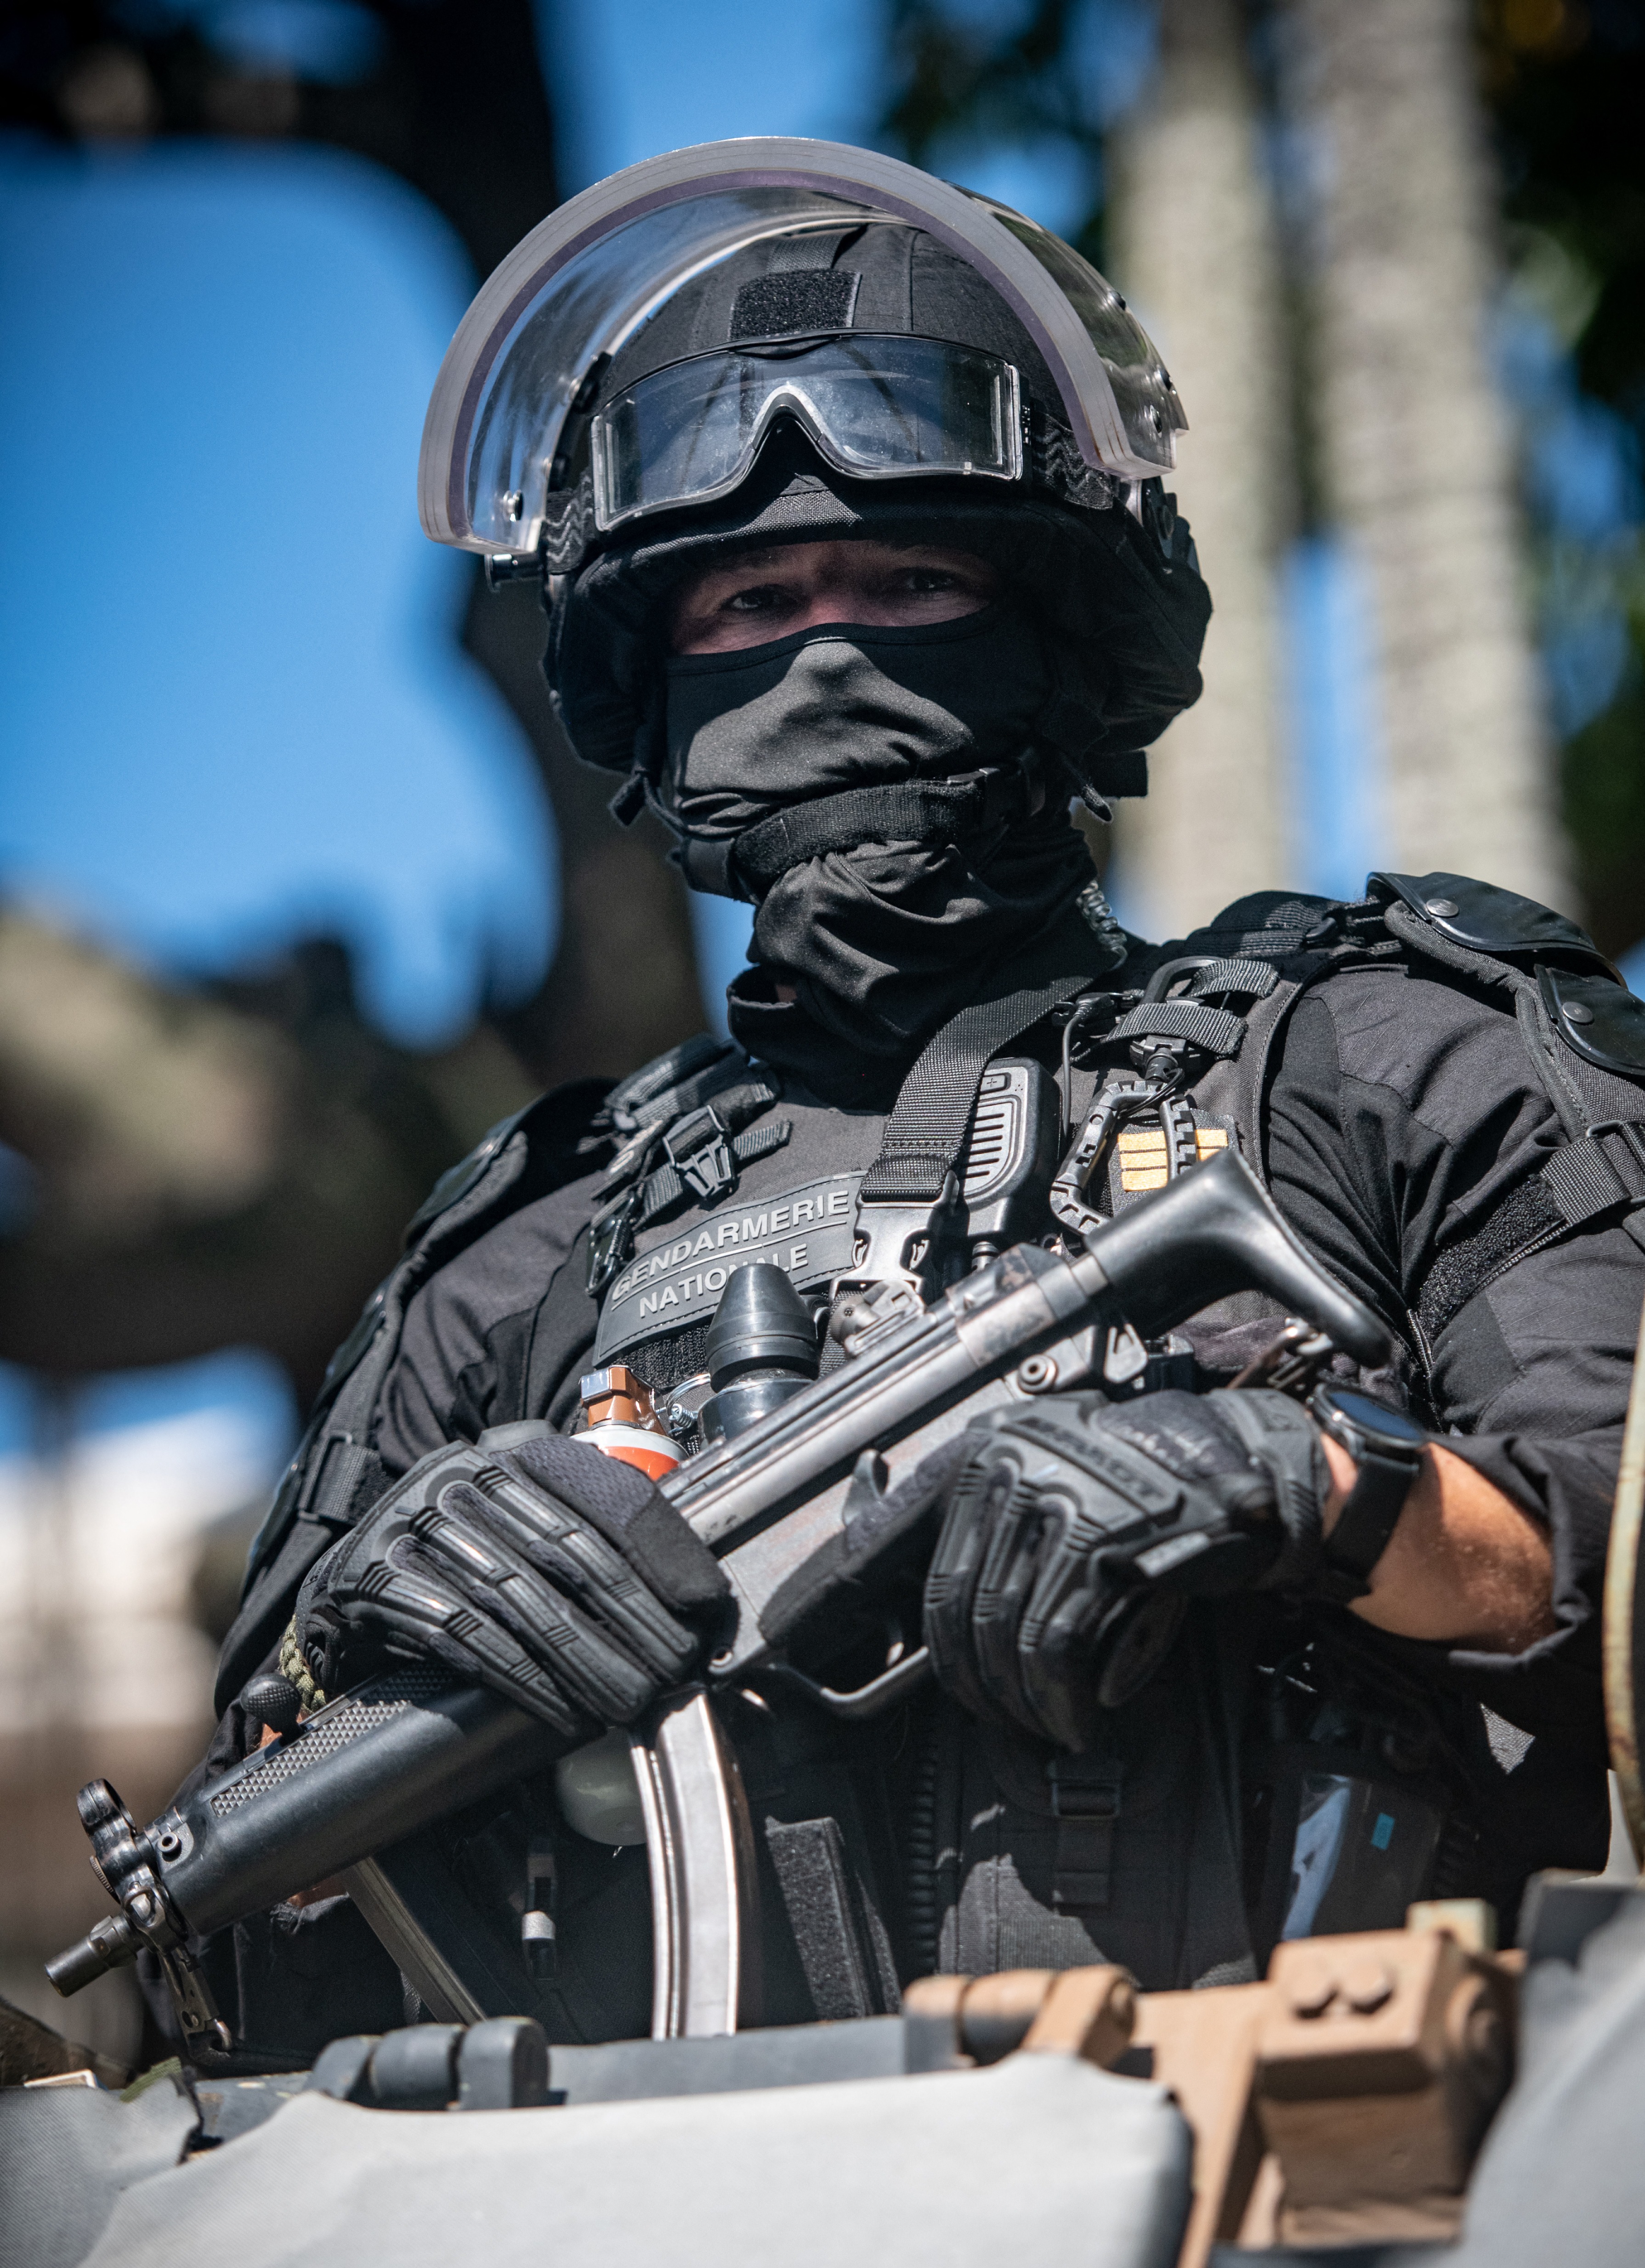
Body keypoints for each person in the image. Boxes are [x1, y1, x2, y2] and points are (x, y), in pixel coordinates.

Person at [176, 142, 1645, 2058]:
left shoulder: (1385, 1048)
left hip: (1312, 2170)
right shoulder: (530, 1245)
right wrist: (377, 1619)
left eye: (908, 574)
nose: (826, 642)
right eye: (748, 601)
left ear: (1052, 618)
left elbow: (1600, 1550)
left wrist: (1308, 1483)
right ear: (653, 669)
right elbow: (226, 1948)